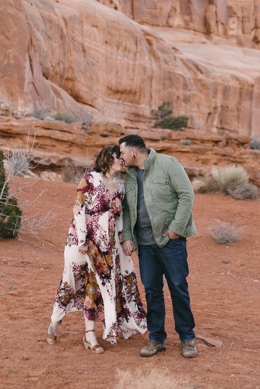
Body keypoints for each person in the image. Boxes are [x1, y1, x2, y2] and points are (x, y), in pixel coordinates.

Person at [46, 145, 147, 353]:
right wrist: (82, 241)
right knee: (71, 285)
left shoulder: (120, 186)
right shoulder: (90, 179)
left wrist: (123, 240)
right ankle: (55, 321)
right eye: (116, 156)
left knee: (95, 285)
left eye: (122, 157)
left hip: (104, 247)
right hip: (80, 243)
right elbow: (79, 210)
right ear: (106, 158)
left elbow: (119, 218)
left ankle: (89, 335)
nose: (121, 160)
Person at [118, 133, 198, 359]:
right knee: (152, 291)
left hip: (170, 242)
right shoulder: (130, 175)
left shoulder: (167, 163)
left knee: (178, 288)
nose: (121, 157)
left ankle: (187, 338)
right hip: (145, 245)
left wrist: (176, 228)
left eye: (122, 152)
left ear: (134, 152)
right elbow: (126, 208)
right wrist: (127, 236)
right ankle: (156, 339)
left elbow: (186, 194)